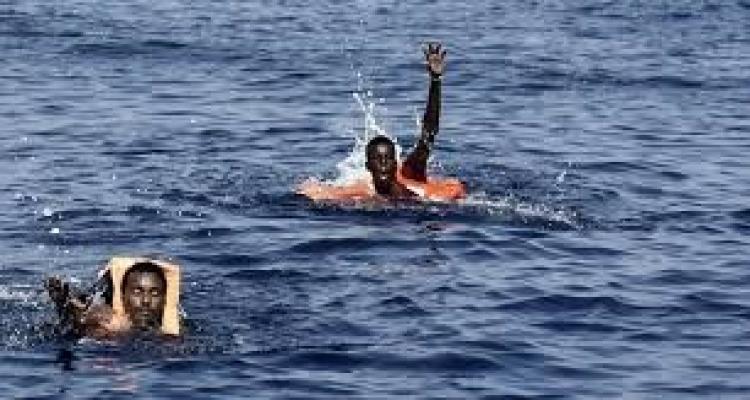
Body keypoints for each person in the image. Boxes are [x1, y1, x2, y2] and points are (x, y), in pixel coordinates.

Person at [298, 43, 466, 202]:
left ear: (395, 163)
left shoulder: (410, 175)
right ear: (368, 166)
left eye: (388, 159)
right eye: (378, 160)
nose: (384, 165)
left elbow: (429, 134)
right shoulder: (359, 193)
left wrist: (435, 80)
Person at [46, 256, 182, 339]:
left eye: (155, 293)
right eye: (137, 292)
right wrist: (65, 309)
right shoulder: (104, 321)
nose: (146, 300)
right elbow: (78, 327)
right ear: (123, 295)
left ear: (164, 298)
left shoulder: (175, 332)